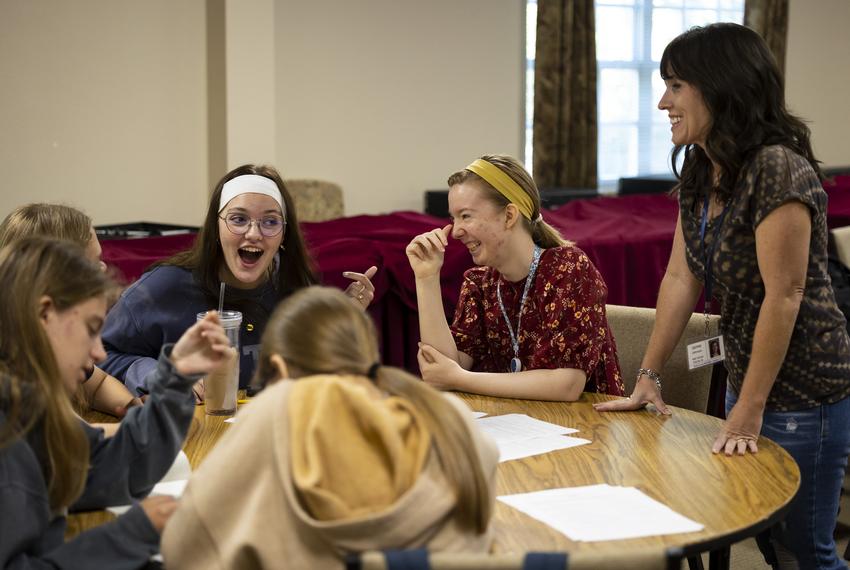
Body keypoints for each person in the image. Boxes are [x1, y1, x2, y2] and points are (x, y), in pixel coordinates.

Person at [594, 23, 850, 569]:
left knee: (804, 552)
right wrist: (649, 375)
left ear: (720, 86)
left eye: (676, 86)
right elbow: (680, 279)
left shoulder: (776, 168)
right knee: (768, 541)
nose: (663, 101)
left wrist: (748, 409)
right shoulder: (701, 164)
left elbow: (786, 295)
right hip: (748, 382)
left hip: (804, 392)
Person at [160, 286, 497, 569]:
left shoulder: (273, 413)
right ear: (369, 354)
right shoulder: (450, 415)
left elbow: (184, 547)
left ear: (278, 368)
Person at [0, 237, 232, 568]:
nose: (99, 353)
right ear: (44, 314)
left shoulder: (29, 412)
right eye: (91, 329)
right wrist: (132, 534)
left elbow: (116, 465)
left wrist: (176, 377)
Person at [100, 164, 377, 398]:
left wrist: (341, 323)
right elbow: (102, 355)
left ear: (284, 235)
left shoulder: (296, 289)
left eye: (270, 222)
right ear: (216, 228)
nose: (254, 233)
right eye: (238, 219)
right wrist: (162, 375)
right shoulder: (163, 287)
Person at [405, 154, 623, 401]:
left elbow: (567, 385)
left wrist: (460, 379)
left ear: (509, 215)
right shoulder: (480, 284)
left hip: (587, 427)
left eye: (465, 216)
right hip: (517, 428)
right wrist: (426, 278)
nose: (455, 231)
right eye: (453, 218)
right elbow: (441, 370)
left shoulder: (568, 270)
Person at [0, 203, 142, 435]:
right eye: (92, 262)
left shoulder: (55, 349)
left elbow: (97, 385)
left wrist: (133, 409)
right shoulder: (16, 377)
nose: (103, 267)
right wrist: (150, 427)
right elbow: (72, 442)